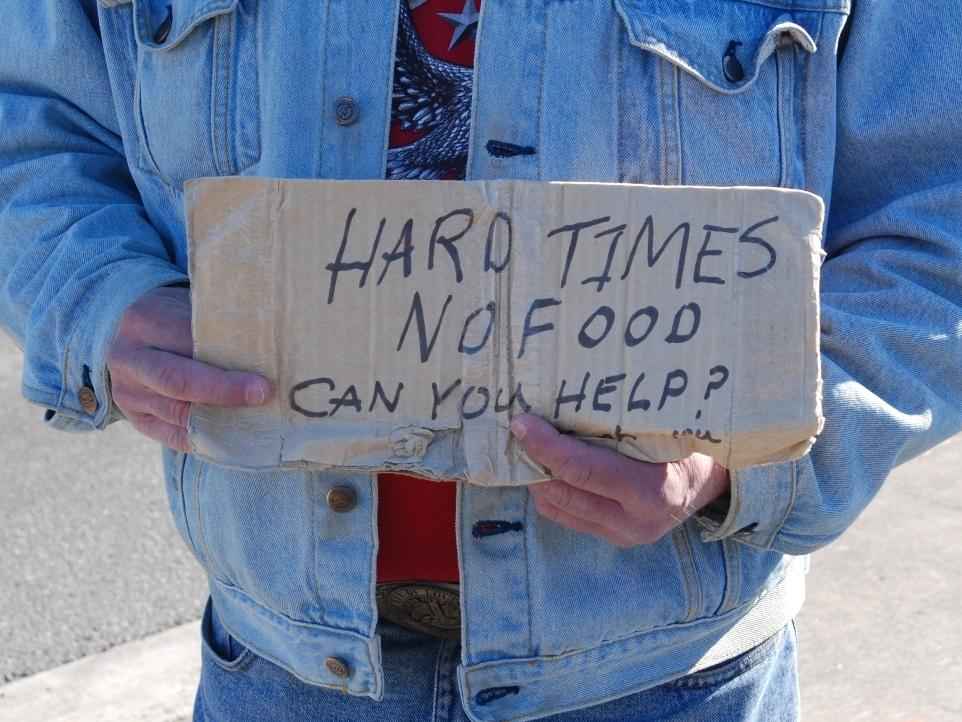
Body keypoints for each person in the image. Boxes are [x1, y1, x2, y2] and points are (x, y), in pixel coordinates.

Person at [1, 1, 959, 720]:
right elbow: (31, 124)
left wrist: (741, 458)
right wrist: (94, 296)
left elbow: (937, 221)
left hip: (666, 682)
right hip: (280, 676)